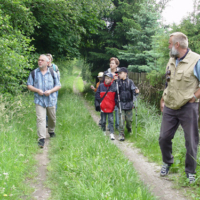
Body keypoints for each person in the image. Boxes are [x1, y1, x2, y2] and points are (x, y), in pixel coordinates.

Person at [159, 32, 200, 184]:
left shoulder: (196, 60)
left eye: (170, 44)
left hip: (188, 107)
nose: (168, 47)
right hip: (170, 105)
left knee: (191, 140)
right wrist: (163, 98)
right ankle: (167, 162)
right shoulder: (171, 60)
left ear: (177, 45)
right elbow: (168, 82)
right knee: (164, 137)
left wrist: (194, 97)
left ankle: (190, 171)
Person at [27, 54, 61, 148]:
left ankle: (51, 131)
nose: (39, 61)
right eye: (39, 60)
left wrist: (50, 91)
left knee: (52, 118)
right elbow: (29, 85)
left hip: (51, 100)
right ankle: (41, 139)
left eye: (42, 60)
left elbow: (58, 85)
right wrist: (37, 90)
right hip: (39, 100)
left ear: (47, 62)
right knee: (41, 119)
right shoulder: (34, 73)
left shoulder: (53, 73)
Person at [115, 67, 139, 141]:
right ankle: (121, 135)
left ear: (125, 73)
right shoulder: (117, 82)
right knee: (121, 121)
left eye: (120, 73)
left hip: (129, 104)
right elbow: (114, 92)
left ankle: (129, 129)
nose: (119, 75)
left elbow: (134, 91)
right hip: (121, 104)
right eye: (118, 73)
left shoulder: (130, 82)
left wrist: (136, 91)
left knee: (129, 120)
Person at [95, 73, 117, 140]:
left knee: (111, 120)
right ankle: (103, 131)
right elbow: (97, 95)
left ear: (111, 79)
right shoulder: (101, 86)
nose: (107, 80)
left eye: (108, 78)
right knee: (103, 121)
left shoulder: (113, 86)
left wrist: (114, 104)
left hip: (110, 107)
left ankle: (112, 133)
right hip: (103, 106)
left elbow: (115, 97)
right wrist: (99, 103)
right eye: (106, 78)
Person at [104, 57, 120, 130]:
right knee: (109, 109)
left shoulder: (120, 72)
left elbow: (124, 81)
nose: (111, 64)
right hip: (109, 93)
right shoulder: (107, 72)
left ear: (116, 65)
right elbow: (103, 83)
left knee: (117, 109)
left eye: (113, 63)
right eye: (110, 63)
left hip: (118, 93)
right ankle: (110, 125)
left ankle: (117, 125)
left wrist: (118, 80)